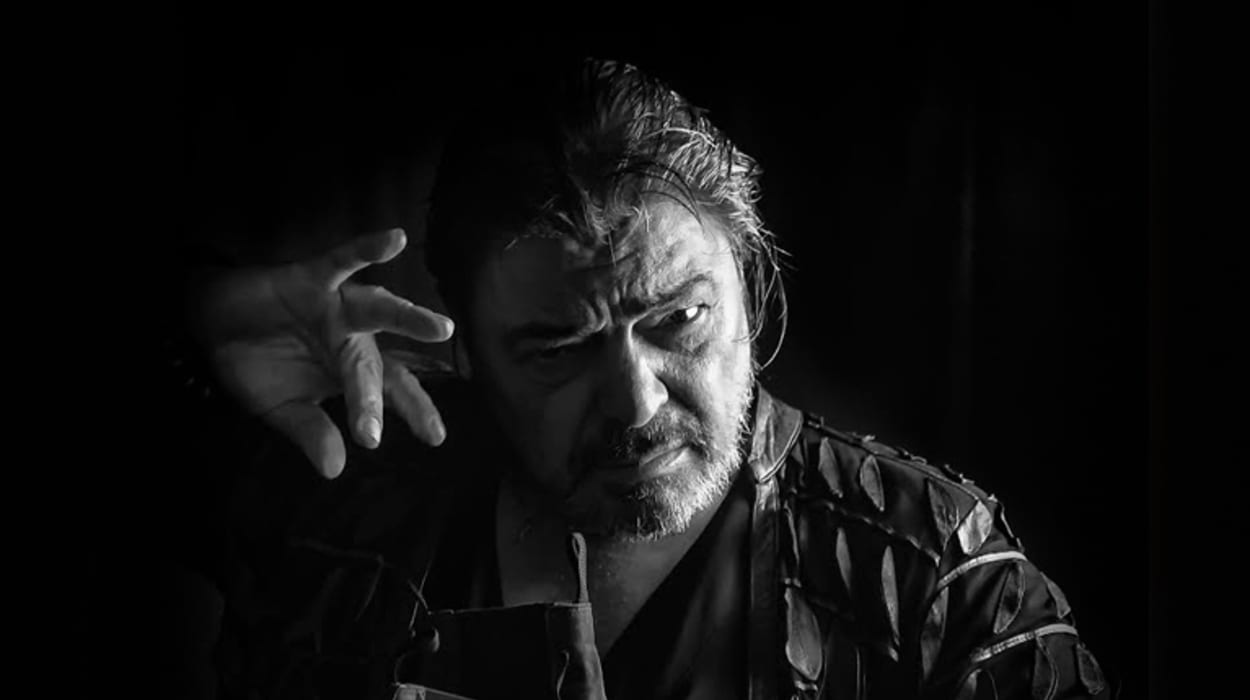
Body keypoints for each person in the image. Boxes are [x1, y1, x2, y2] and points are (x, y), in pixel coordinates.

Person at [171, 58, 1109, 699]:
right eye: (557, 348)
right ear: (470, 357)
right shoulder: (341, 506)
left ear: (750, 286)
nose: (636, 401)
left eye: (679, 320)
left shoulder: (934, 571)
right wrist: (201, 326)